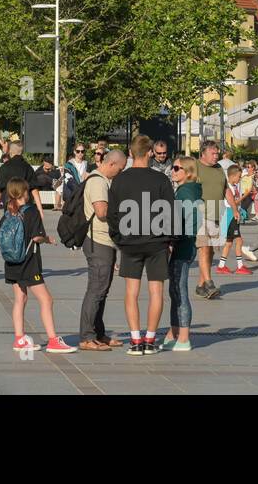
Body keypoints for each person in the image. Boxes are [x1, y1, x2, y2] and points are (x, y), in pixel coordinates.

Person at [109, 135, 176, 355]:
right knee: (156, 290)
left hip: (130, 242)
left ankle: (135, 340)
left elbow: (112, 214)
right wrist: (170, 240)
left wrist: (118, 238)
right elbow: (170, 213)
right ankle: (150, 339)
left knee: (131, 291)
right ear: (149, 153)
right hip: (156, 242)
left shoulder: (120, 180)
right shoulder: (161, 180)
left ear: (130, 153)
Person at [0, 177, 76, 354]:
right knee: (46, 299)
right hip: (28, 262)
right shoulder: (31, 211)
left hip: (11, 261)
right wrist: (48, 239)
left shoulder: (8, 210)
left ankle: (19, 339)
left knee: (20, 299)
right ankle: (53, 340)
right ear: (24, 192)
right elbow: (36, 237)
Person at [78, 147, 125, 351]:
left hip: (105, 241)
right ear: (111, 164)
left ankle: (98, 333)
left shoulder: (104, 181)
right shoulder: (98, 182)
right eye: (120, 168)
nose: (121, 172)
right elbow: (101, 211)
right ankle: (87, 337)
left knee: (102, 290)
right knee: (96, 289)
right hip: (97, 241)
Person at [165, 156, 203, 352]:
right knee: (175, 290)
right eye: (173, 167)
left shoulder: (185, 192)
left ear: (188, 172)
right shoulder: (189, 190)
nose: (173, 170)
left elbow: (184, 219)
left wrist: (173, 239)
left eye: (177, 168)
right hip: (187, 244)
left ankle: (184, 337)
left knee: (179, 290)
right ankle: (174, 332)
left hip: (184, 245)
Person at [194, 139, 225, 299]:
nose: (216, 156)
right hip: (201, 213)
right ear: (203, 153)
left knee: (211, 250)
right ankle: (209, 282)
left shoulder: (219, 168)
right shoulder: (195, 167)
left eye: (217, 153)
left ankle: (201, 285)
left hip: (217, 213)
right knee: (204, 248)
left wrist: (233, 209)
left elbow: (225, 189)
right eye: (213, 153)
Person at [216, 163, 252, 275]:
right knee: (239, 240)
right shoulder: (228, 187)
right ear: (232, 176)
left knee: (229, 242)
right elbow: (232, 203)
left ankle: (221, 265)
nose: (240, 178)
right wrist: (245, 196)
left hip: (233, 214)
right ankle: (240, 266)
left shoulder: (235, 186)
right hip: (230, 214)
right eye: (238, 176)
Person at [0, 140, 41, 213]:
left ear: (10, 152)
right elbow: (34, 189)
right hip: (25, 204)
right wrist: (40, 209)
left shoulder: (4, 167)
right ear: (22, 152)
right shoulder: (27, 167)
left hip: (9, 204)